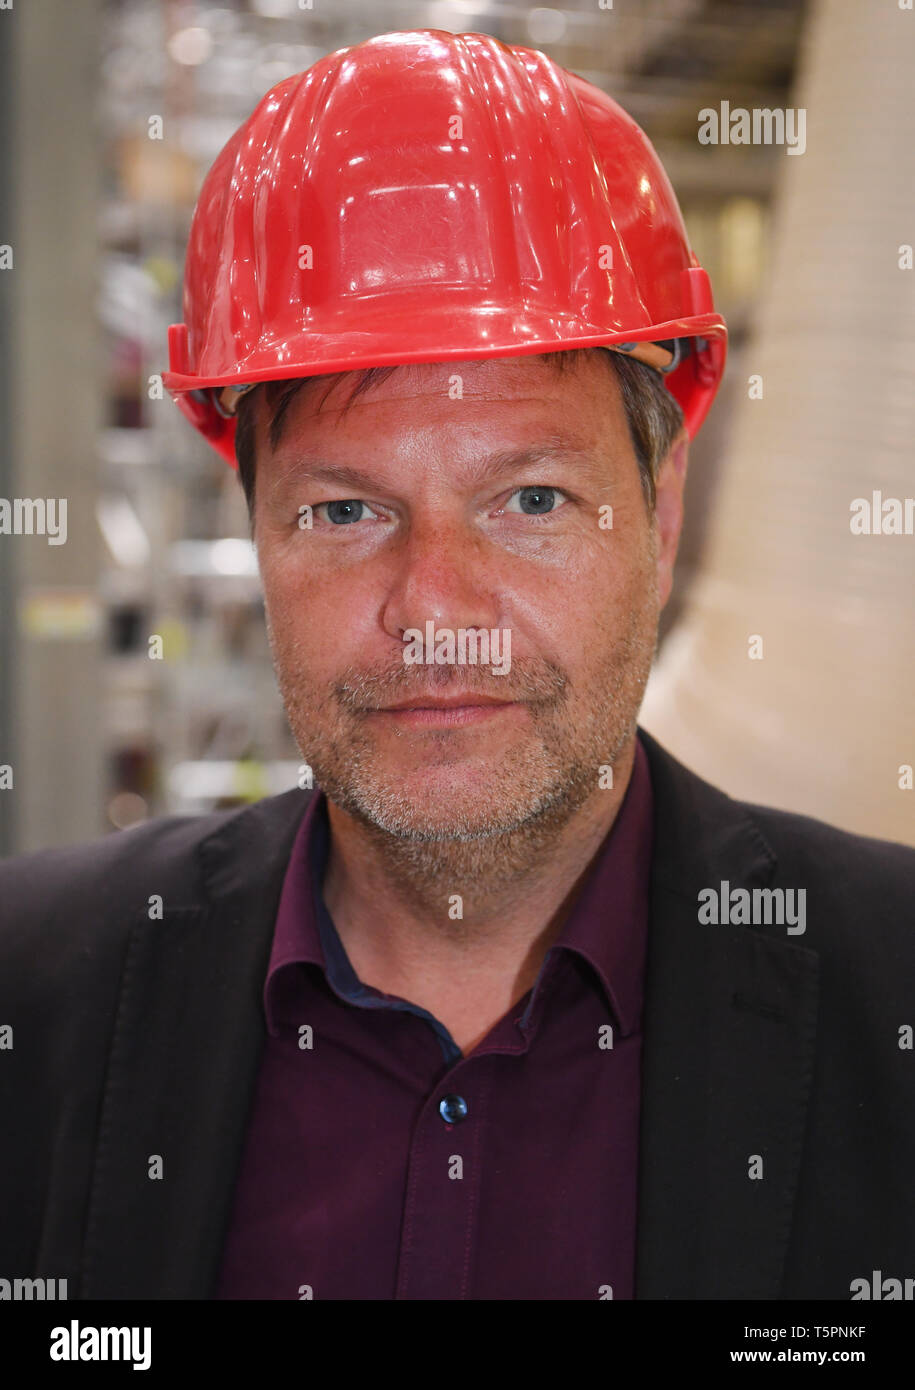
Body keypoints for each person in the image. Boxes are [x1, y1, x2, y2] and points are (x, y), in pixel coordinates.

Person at [1, 30, 912, 1302]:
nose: (435, 608)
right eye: (344, 511)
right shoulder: (37, 991)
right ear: (256, 530)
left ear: (660, 515)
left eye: (530, 499)